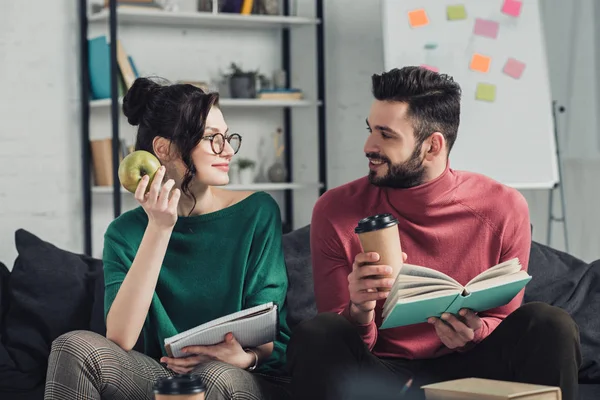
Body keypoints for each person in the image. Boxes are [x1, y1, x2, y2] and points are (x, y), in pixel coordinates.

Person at [285, 66, 582, 400]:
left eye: (386, 134)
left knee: (549, 324)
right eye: (370, 130)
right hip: (380, 370)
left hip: (474, 365)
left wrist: (475, 333)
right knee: (319, 332)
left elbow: (503, 317)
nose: (369, 146)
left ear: (432, 146)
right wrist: (359, 309)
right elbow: (342, 339)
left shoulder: (503, 206)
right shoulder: (335, 209)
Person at [44, 77, 292, 400]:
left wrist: (246, 357)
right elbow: (120, 338)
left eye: (228, 137)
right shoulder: (124, 234)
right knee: (73, 348)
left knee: (211, 378)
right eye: (212, 139)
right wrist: (159, 228)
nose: (227, 150)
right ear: (163, 148)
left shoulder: (258, 213)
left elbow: (268, 327)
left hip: (238, 372)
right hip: (158, 373)